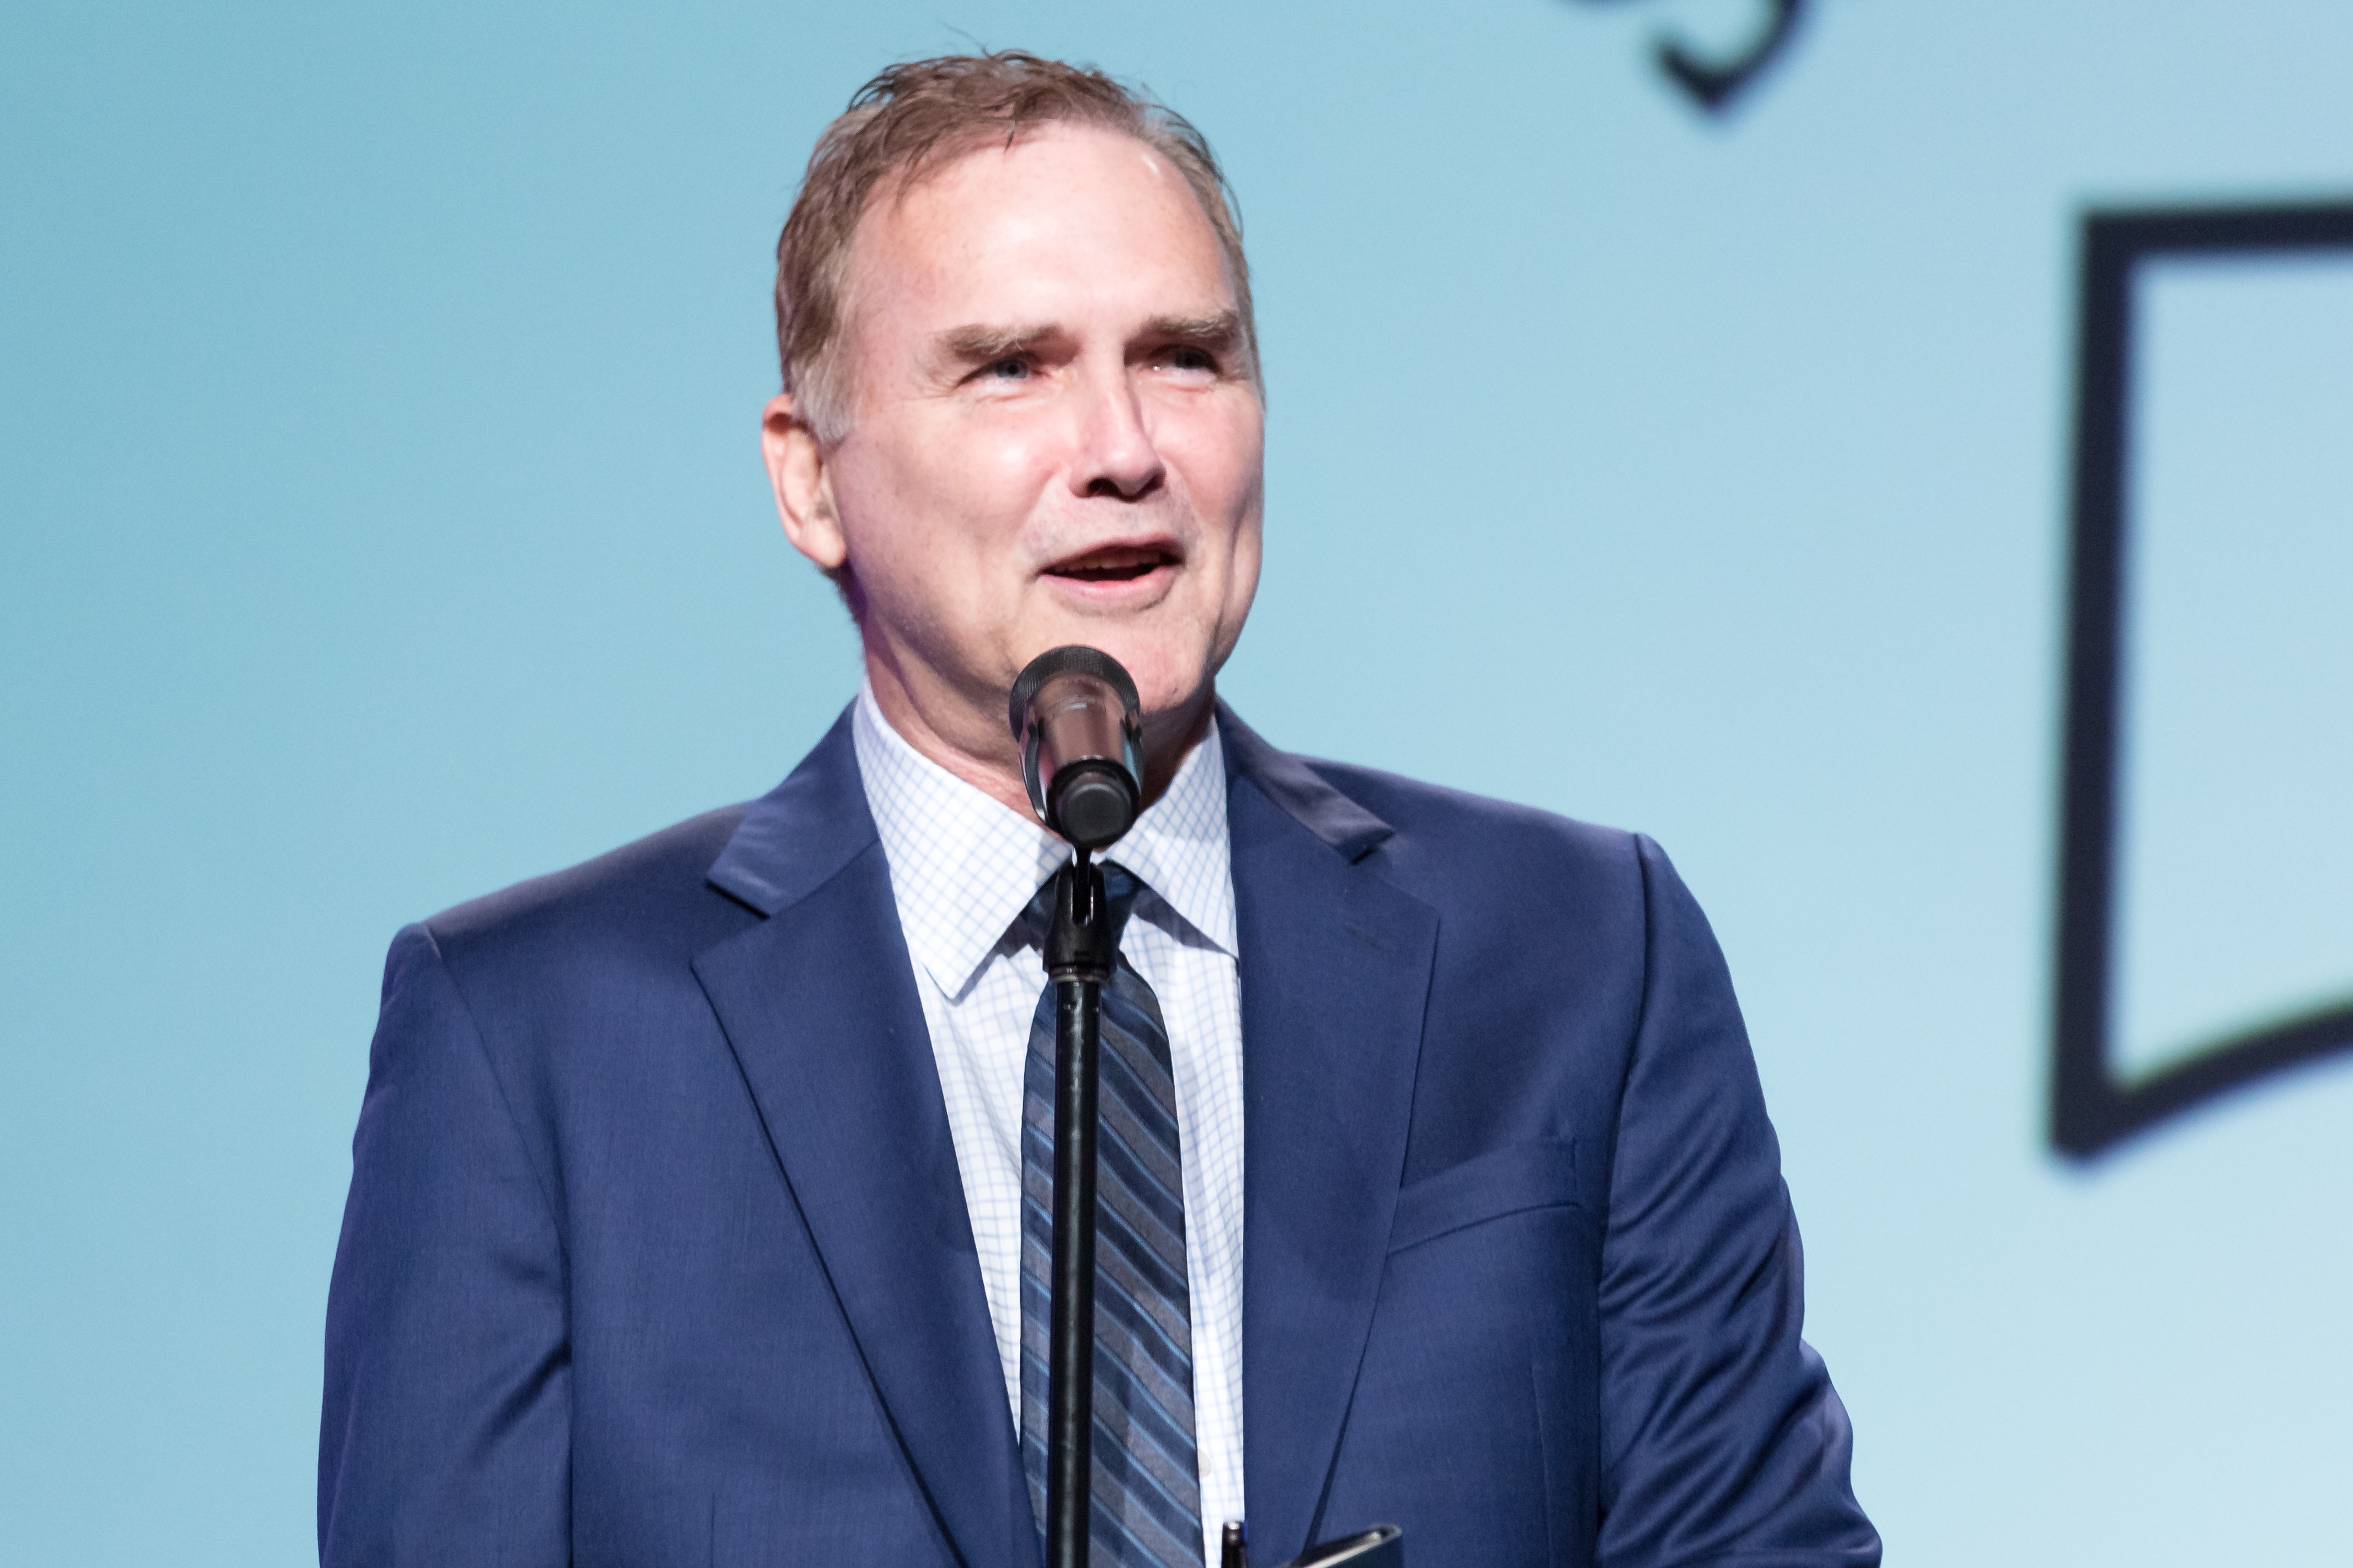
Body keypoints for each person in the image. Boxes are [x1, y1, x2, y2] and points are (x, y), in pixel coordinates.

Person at [319, 52, 1879, 1568]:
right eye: (1012, 368)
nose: (1126, 452)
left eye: (1186, 357)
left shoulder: (1579, 958)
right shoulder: (534, 1042)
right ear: (808, 481)